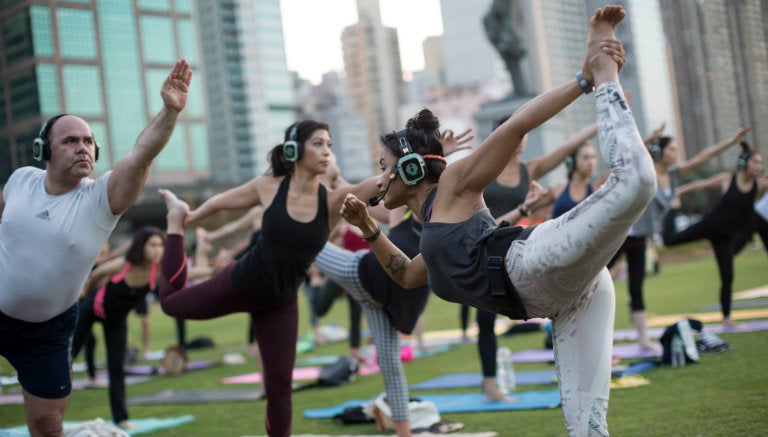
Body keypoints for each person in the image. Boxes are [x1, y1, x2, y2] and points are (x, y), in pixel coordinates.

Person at [339, 6, 650, 435]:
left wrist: (584, 81)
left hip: (533, 261)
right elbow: (409, 277)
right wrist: (369, 229)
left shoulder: (453, 186)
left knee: (636, 181)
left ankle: (603, 70)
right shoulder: (430, 233)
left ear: (410, 170)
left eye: (382, 164)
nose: (377, 178)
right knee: (587, 426)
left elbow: (515, 126)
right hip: (553, 299)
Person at [0, 58, 191, 437]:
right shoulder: (21, 179)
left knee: (45, 425)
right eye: (70, 141)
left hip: (47, 333)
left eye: (88, 141)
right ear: (44, 150)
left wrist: (169, 112)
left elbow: (141, 154)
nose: (83, 148)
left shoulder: (100, 200)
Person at [155, 119, 381, 437]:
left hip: (280, 303)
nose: (326, 151)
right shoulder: (269, 185)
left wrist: (410, 165)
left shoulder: (331, 199)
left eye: (329, 145)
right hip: (241, 283)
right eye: (318, 143)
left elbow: (371, 187)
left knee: (279, 388)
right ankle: (173, 224)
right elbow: (224, 201)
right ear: (293, 149)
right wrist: (187, 219)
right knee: (170, 304)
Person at [449, 121, 597, 402]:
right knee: (486, 319)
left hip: (516, 248)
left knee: (558, 298)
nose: (520, 138)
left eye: (523, 133)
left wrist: (598, 118)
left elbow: (566, 147)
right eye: (514, 132)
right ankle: (491, 386)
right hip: (485, 250)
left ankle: (573, 368)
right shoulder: (485, 168)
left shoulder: (530, 169)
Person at [607, 125, 750, 349]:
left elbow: (703, 158)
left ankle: (643, 339)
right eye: (672, 149)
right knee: (597, 280)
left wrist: (731, 142)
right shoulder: (645, 169)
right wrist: (648, 139)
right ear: (659, 152)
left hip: (639, 237)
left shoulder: (673, 174)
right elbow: (630, 156)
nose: (676, 153)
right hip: (618, 234)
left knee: (636, 287)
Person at [312, 212, 431, 437]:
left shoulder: (436, 231)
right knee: (305, 241)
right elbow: (382, 200)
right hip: (358, 273)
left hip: (382, 305)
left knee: (391, 366)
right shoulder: (402, 216)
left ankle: (404, 433)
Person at [662, 141, 767, 328]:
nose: (759, 166)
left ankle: (727, 319)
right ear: (744, 163)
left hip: (725, 237)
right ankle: (670, 212)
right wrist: (677, 192)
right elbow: (701, 185)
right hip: (709, 226)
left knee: (727, 277)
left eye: (761, 163)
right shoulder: (728, 179)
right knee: (669, 241)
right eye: (756, 162)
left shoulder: (758, 187)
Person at [71, 226, 166, 429]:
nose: (158, 250)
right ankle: (49, 411)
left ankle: (121, 418)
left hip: (116, 320)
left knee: (117, 369)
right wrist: (84, 294)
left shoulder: (157, 272)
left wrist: (213, 271)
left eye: (161, 245)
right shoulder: (124, 264)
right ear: (142, 247)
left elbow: (186, 273)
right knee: (68, 356)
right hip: (91, 310)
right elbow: (97, 274)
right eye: (153, 245)